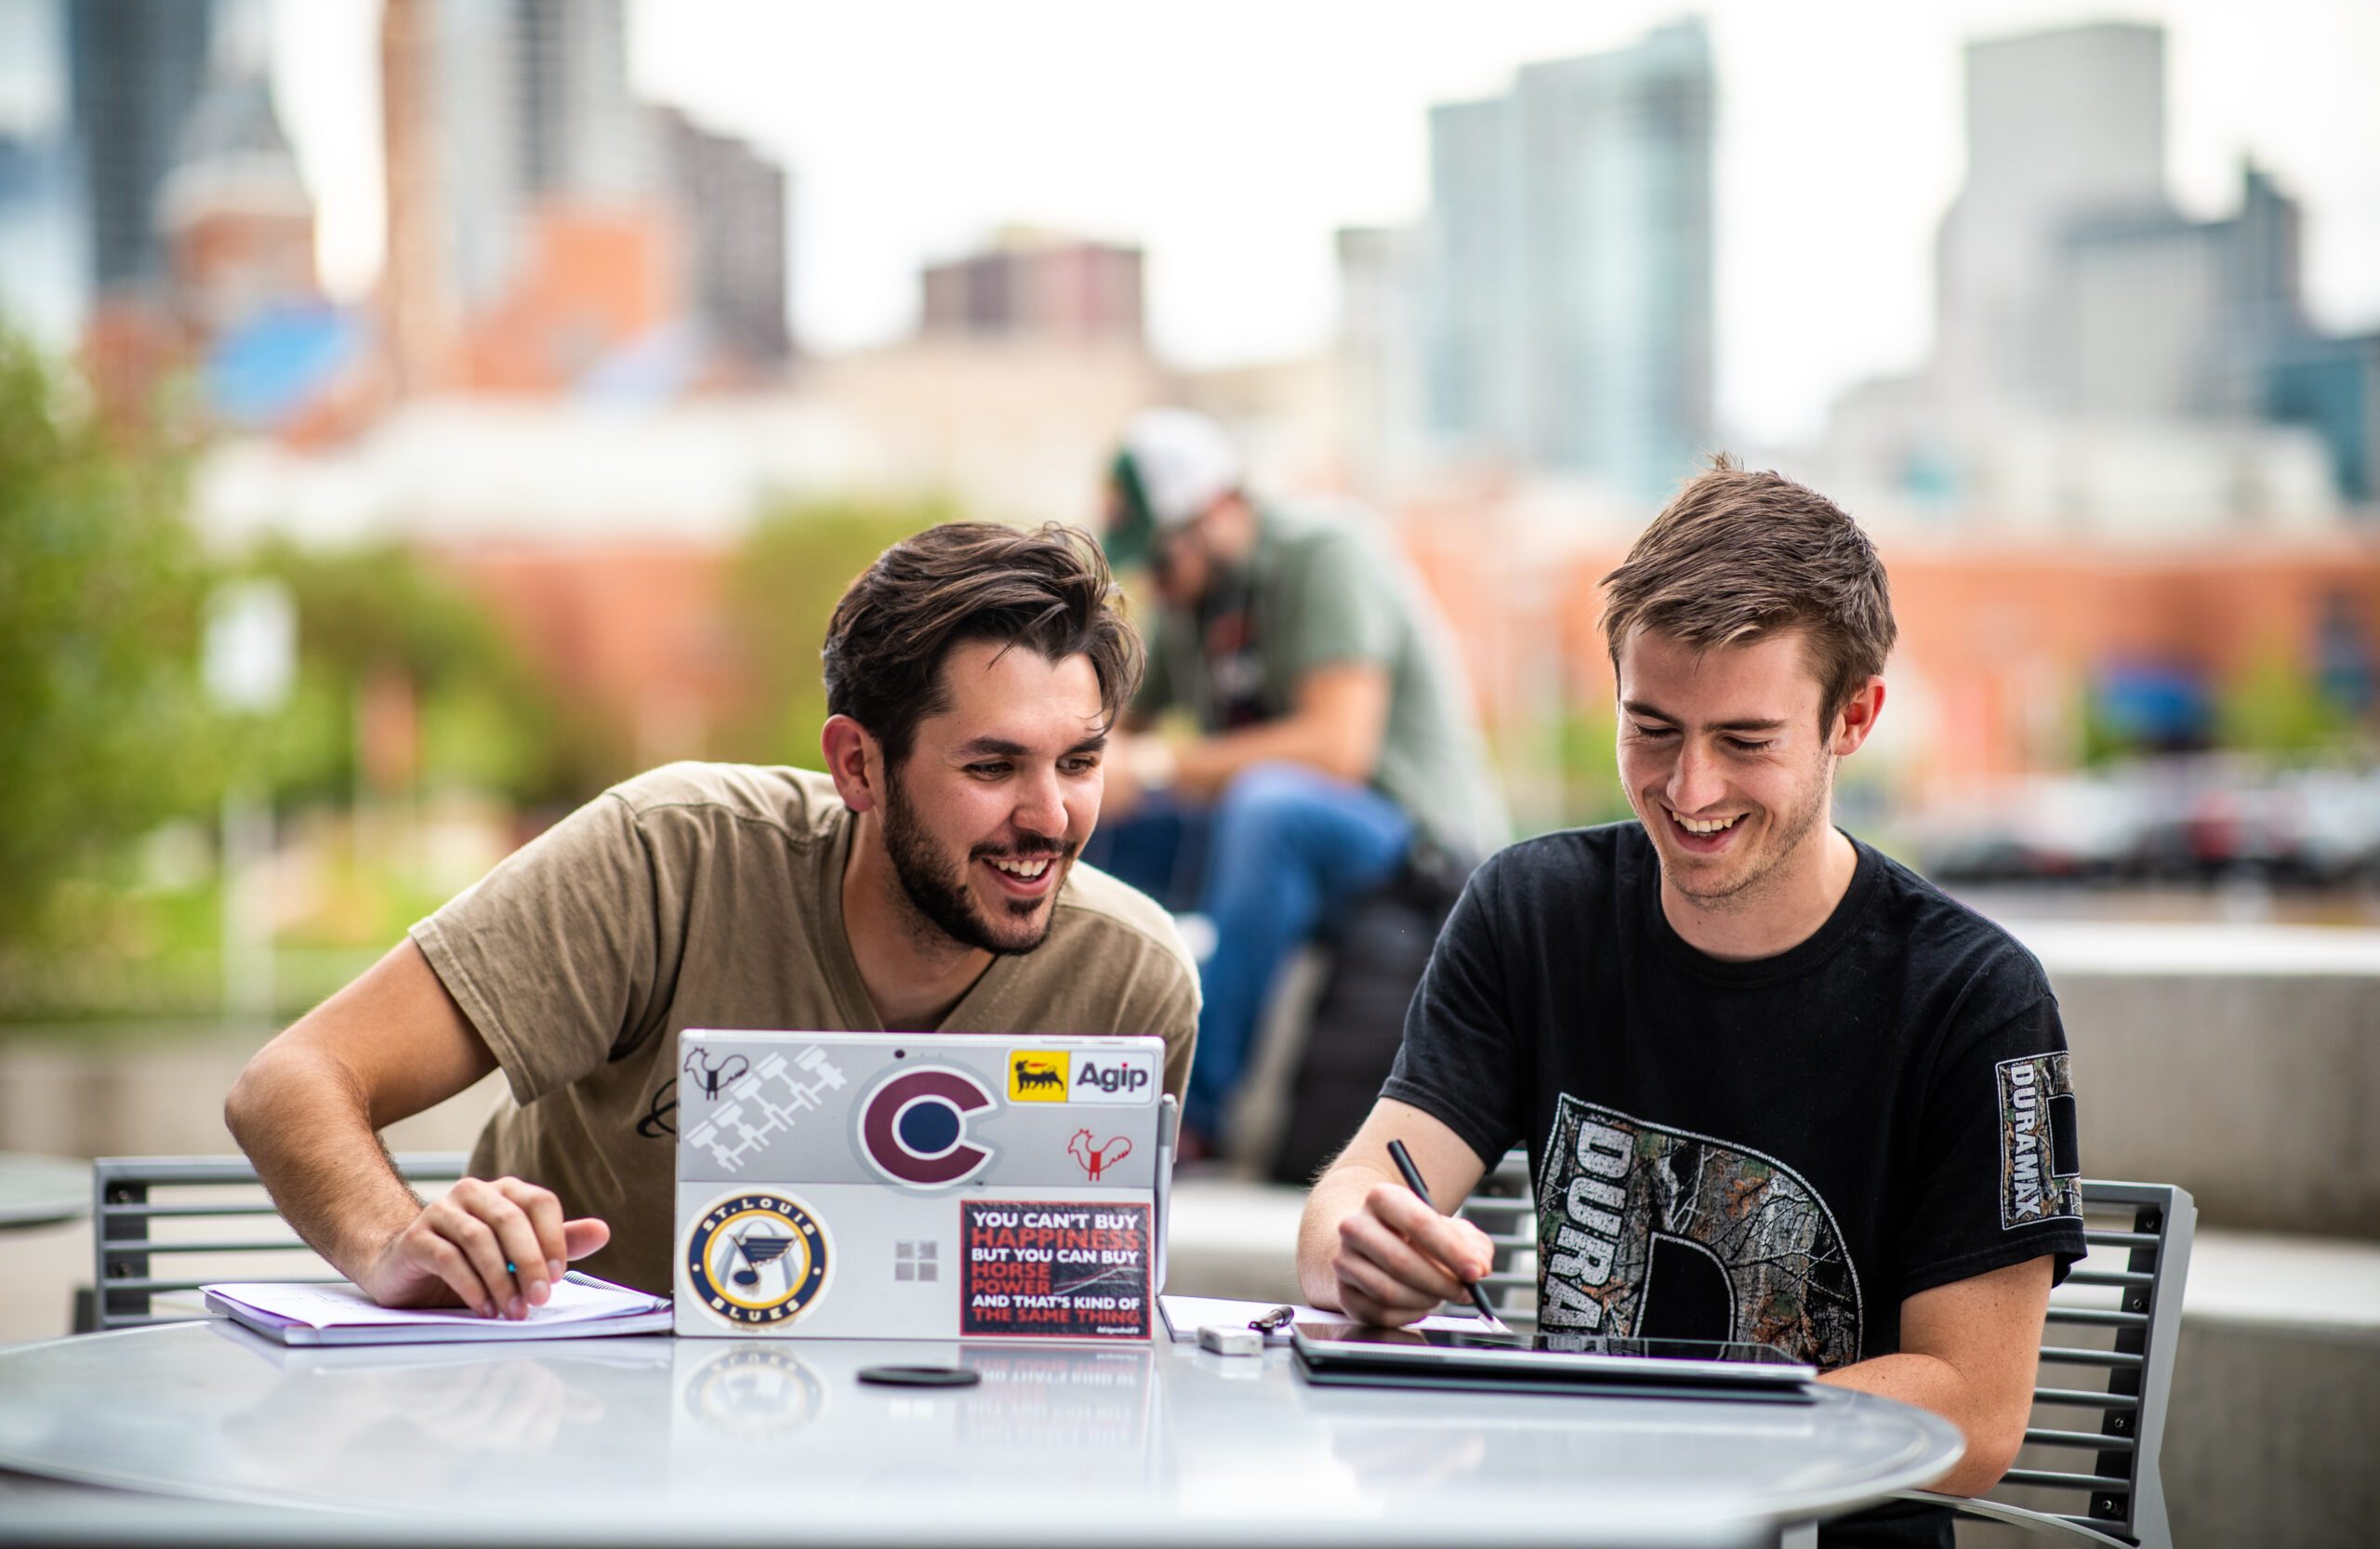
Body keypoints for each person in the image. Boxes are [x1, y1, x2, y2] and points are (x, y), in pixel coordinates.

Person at [1296, 460, 2085, 1547]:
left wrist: (1646, 1438)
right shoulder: (1532, 910)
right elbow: (1356, 1196)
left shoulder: (1972, 998)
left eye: (1745, 742)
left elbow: (1977, 1410)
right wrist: (1360, 1250)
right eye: (1651, 728)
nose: (1689, 789)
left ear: (1852, 718)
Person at [226, 522, 1197, 1308]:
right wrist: (393, 1239)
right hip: (572, 1439)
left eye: (1079, 763)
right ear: (858, 765)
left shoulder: (1132, 979)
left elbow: (1086, 1319)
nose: (1051, 817)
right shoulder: (667, 857)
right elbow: (290, 1083)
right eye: (992, 767)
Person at [1093, 408, 1507, 1150]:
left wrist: (1152, 766)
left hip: (1418, 846)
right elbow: (1117, 738)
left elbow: (1334, 749)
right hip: (1290, 838)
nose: (1155, 582)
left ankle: (1194, 1115)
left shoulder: (1326, 551)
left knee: (1265, 805)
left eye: (1160, 559)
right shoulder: (1193, 602)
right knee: (1085, 817)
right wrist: (1076, 777)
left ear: (1216, 513)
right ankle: (1059, 1075)